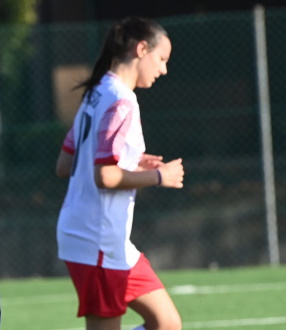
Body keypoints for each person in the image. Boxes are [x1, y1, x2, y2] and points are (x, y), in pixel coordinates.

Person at [54, 17, 184, 330]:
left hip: (106, 240)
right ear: (141, 49)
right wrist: (159, 176)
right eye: (161, 59)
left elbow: (66, 165)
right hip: (96, 239)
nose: (163, 69)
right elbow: (105, 177)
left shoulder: (96, 93)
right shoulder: (122, 100)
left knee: (166, 323)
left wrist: (134, 163)